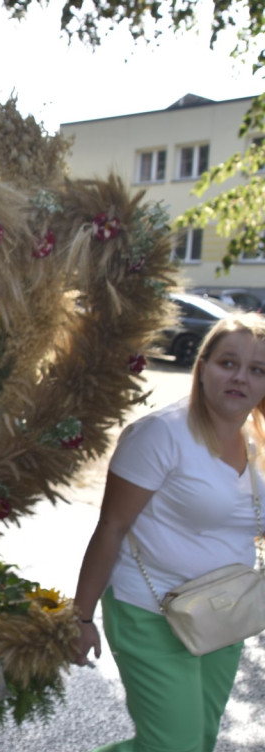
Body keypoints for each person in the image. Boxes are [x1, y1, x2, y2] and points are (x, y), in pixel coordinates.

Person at [73, 312, 265, 752]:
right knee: (172, 747)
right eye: (228, 363)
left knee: (198, 741)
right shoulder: (160, 435)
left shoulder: (258, 440)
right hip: (150, 610)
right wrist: (80, 617)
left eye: (258, 370)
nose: (241, 378)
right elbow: (112, 526)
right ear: (202, 368)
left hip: (225, 611)